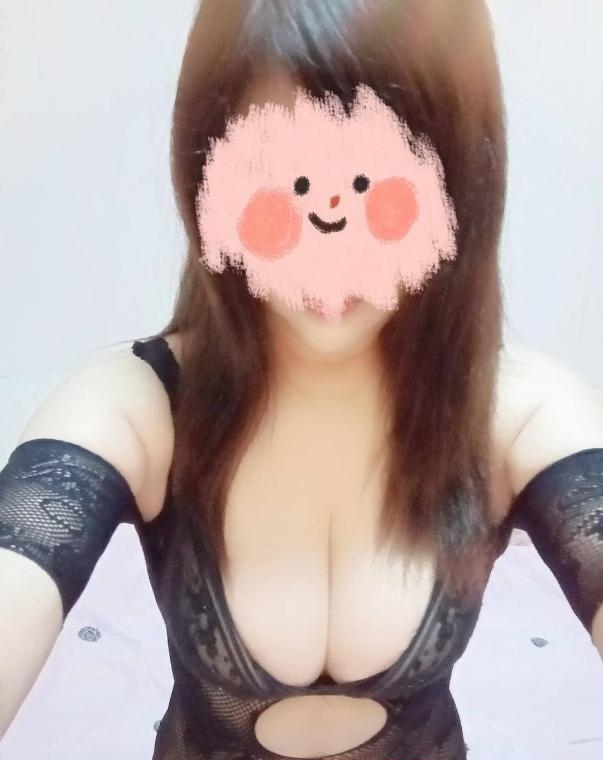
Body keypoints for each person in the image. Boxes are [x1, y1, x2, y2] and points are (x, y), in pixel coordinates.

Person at [1, 1, 602, 758]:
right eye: (281, 179)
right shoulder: (137, 406)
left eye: (371, 181)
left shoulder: (519, 413)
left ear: (458, 185)